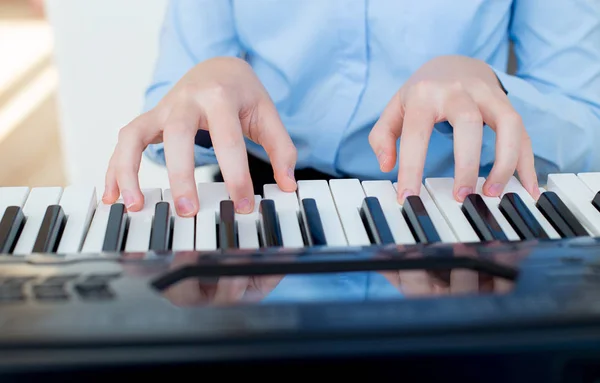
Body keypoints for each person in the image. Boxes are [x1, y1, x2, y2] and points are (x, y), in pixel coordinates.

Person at [102, 0, 600, 218]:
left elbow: (587, 125)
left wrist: (490, 88)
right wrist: (209, 83)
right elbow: (165, 123)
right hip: (261, 203)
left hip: (463, 206)